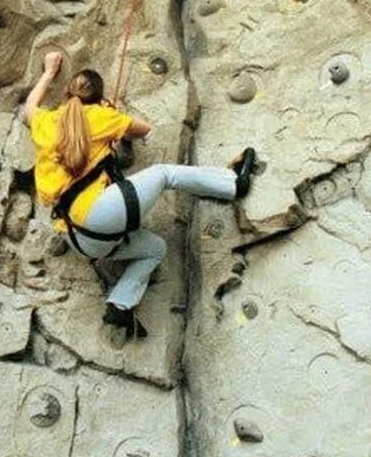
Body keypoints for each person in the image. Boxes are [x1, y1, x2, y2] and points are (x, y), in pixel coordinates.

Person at [24, 51, 257, 337]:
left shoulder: (46, 122)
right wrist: (112, 116)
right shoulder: (100, 115)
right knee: (163, 174)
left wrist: (48, 72)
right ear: (98, 96)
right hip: (100, 215)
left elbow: (30, 107)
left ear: (66, 92)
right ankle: (233, 183)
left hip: (79, 238)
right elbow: (143, 130)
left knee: (155, 249)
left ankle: (120, 305)